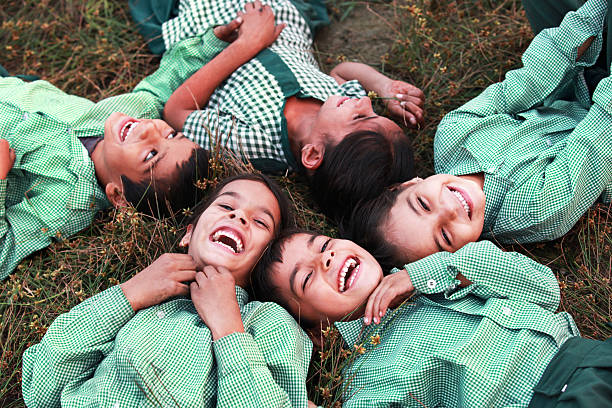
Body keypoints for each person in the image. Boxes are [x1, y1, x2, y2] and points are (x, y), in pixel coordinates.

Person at [346, 0, 612, 270]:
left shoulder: (453, 135)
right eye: (445, 236)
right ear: (461, 256)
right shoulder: (536, 210)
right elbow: (601, 131)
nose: (449, 210)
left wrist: (594, 12)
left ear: (407, 184)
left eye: (423, 204)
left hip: (580, 83)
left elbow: (525, 84)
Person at [22, 173, 313, 408]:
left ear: (263, 264)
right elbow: (44, 388)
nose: (238, 217)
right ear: (189, 233)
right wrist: (130, 293)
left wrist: (229, 329)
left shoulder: (269, 323)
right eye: (226, 207)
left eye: (260, 221)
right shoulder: (144, 300)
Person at [132, 0, 422, 221]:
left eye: (362, 117)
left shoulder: (257, 143)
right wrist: (385, 86)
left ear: (312, 154)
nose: (367, 103)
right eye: (376, 111)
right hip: (280, 12)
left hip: (214, 24)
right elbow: (342, 72)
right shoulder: (337, 102)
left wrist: (248, 43)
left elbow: (177, 110)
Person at [252, 230, 612, 407]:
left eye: (325, 244)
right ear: (316, 331)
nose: (327, 260)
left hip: (586, 356)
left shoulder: (438, 272)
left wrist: (424, 273)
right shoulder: (361, 375)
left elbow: (544, 288)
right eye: (308, 278)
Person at [0, 75, 210, 279]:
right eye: (171, 135)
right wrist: (218, 40)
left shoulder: (68, 203)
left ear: (118, 195)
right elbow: (171, 76)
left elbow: (4, 252)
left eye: (150, 155)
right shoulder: (134, 112)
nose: (150, 127)